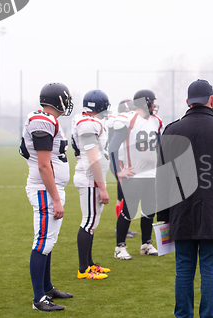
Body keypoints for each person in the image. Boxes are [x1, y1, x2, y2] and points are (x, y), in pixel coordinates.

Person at [156, 79, 213, 318]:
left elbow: (163, 179)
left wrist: (165, 217)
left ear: (188, 102)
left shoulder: (172, 129)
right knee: (209, 272)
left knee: (184, 270)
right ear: (211, 100)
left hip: (180, 212)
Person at [19, 83, 74, 311]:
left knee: (48, 241)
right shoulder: (42, 120)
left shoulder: (49, 120)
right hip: (44, 190)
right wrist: (56, 198)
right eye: (66, 99)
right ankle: (38, 299)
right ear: (58, 100)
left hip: (48, 189)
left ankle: (47, 288)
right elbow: (43, 165)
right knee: (42, 242)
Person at [108, 89, 162, 260]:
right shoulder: (128, 120)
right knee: (129, 211)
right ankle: (119, 247)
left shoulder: (156, 121)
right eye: (152, 101)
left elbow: (159, 147)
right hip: (133, 174)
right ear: (145, 102)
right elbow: (113, 147)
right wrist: (118, 170)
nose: (154, 105)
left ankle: (146, 244)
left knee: (149, 210)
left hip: (151, 173)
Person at [71, 90, 112, 280]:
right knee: (88, 222)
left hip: (91, 177)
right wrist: (102, 187)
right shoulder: (88, 124)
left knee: (91, 223)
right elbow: (93, 158)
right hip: (90, 178)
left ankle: (89, 264)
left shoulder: (86, 121)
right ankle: (83, 269)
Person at [111, 99, 138, 239]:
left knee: (121, 195)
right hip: (122, 161)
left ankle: (121, 227)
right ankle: (120, 228)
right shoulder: (123, 120)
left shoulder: (119, 119)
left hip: (123, 160)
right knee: (124, 196)